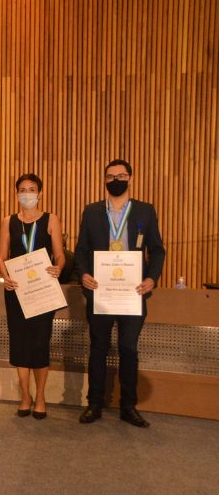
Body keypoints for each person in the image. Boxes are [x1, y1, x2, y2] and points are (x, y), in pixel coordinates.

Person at [74, 159, 165, 427]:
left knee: (128, 348)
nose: (116, 180)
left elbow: (157, 250)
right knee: (99, 348)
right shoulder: (91, 212)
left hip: (132, 292)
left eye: (121, 175)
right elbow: (80, 250)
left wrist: (151, 278)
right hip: (100, 292)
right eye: (111, 176)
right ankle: (94, 405)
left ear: (131, 179)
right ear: (104, 180)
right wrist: (83, 275)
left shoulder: (145, 211)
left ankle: (128, 406)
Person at [0, 174, 65, 420]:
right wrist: (6, 277)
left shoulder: (51, 219)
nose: (27, 194)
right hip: (16, 292)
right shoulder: (8, 221)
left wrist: (59, 267)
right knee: (20, 344)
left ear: (40, 193)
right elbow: (0, 256)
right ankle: (25, 396)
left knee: (39, 344)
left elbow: (60, 255)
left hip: (43, 292)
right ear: (16, 194)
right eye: (22, 190)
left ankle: (41, 397)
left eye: (32, 189)